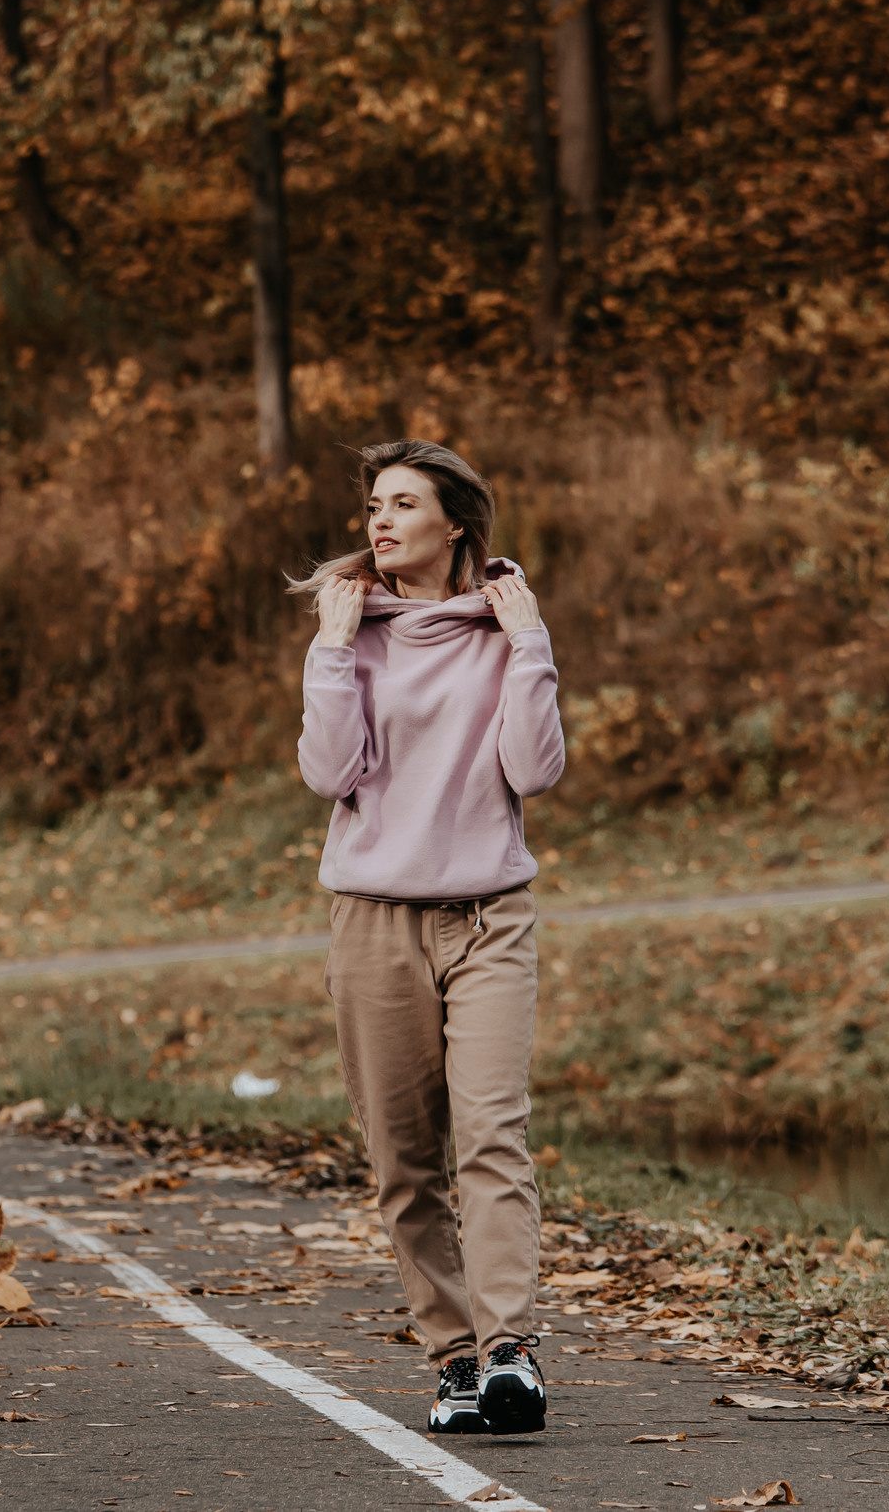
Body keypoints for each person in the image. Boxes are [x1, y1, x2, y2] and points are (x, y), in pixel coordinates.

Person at [290, 439, 567, 1436]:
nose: (378, 521)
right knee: (404, 1163)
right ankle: (453, 1358)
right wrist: (329, 650)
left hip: (490, 917)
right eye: (373, 504)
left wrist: (529, 643)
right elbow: (330, 772)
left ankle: (510, 1356)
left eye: (402, 503)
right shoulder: (350, 631)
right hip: (372, 922)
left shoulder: (505, 628)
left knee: (493, 1137)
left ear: (456, 523)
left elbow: (533, 770)